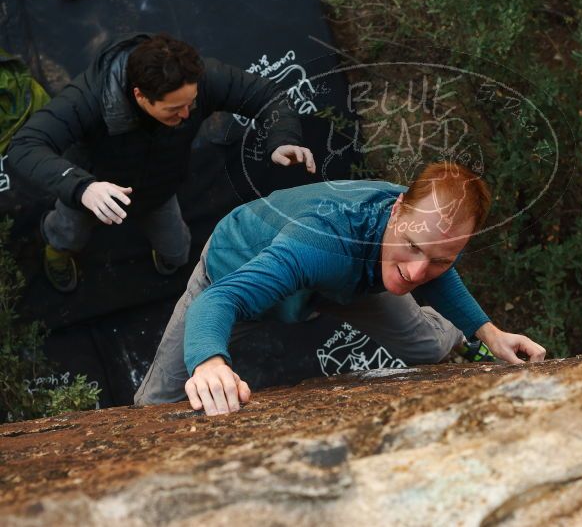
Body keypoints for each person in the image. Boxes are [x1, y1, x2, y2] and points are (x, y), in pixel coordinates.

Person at [134, 161, 547, 415]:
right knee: (156, 404)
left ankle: (457, 337)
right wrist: (208, 362)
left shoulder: (417, 234)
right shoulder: (323, 241)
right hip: (238, 268)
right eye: (414, 248)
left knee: (430, 348)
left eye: (440, 258)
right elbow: (219, 299)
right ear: (398, 210)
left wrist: (489, 334)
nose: (421, 271)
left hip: (344, 279)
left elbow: (435, 265)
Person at [7, 33, 315, 292]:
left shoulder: (196, 80)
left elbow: (269, 96)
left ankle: (168, 256)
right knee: (67, 232)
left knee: (178, 251)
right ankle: (57, 249)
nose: (187, 115)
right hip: (92, 188)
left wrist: (283, 137)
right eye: (174, 109)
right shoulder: (87, 98)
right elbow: (24, 146)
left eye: (191, 103)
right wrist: (81, 187)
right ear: (140, 96)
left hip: (159, 186)